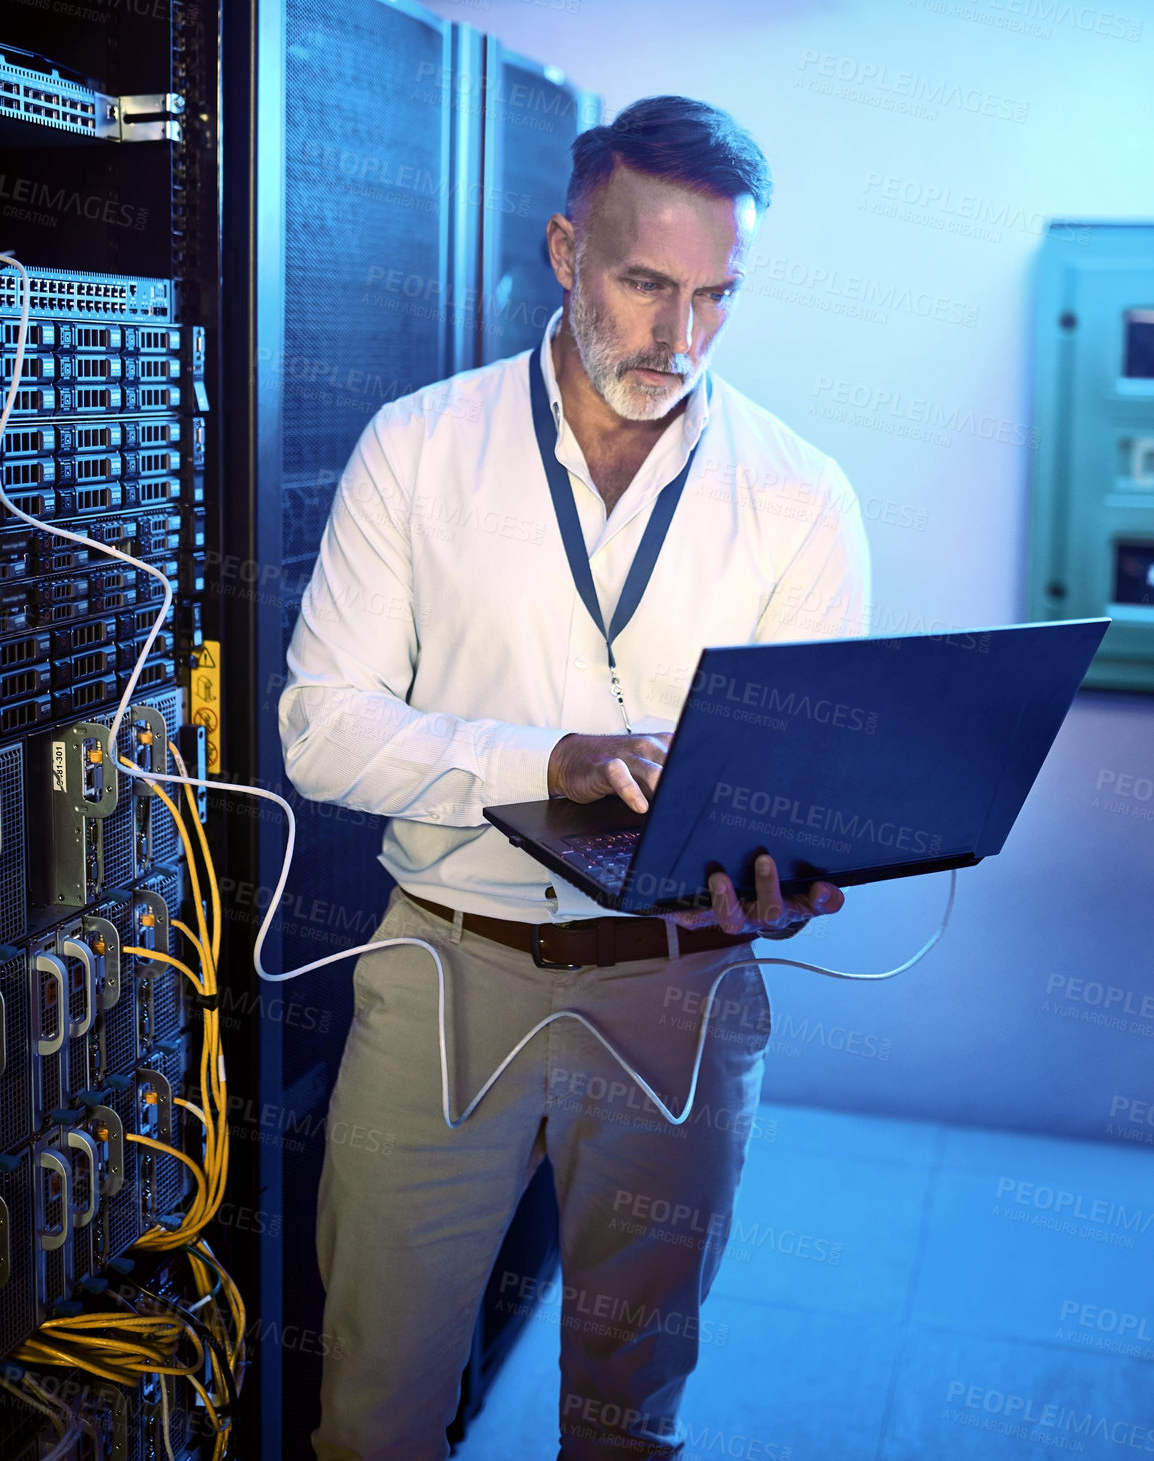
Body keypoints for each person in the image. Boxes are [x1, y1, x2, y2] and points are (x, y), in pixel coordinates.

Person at [279, 95, 870, 1460]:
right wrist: (548, 760)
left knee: (627, 1420)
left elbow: (806, 784)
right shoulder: (415, 447)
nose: (680, 336)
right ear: (563, 249)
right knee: (371, 1418)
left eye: (717, 295)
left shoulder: (800, 492)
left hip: (680, 980)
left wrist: (794, 869)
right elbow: (321, 728)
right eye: (645, 283)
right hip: (441, 971)